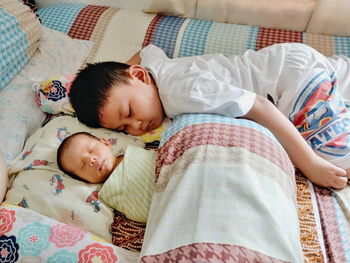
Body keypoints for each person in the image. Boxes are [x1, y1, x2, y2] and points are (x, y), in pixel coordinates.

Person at [69, 43, 350, 189]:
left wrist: (311, 164)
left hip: (287, 83)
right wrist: (116, 80)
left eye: (129, 112)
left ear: (140, 76)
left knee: (333, 164)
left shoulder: (182, 92)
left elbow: (260, 108)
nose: (137, 125)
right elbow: (146, 50)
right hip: (288, 61)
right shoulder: (154, 69)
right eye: (124, 129)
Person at [57, 132, 156, 223]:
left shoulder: (133, 152)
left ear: (104, 143)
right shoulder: (107, 195)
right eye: (83, 165)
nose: (91, 159)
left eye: (91, 150)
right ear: (85, 180)